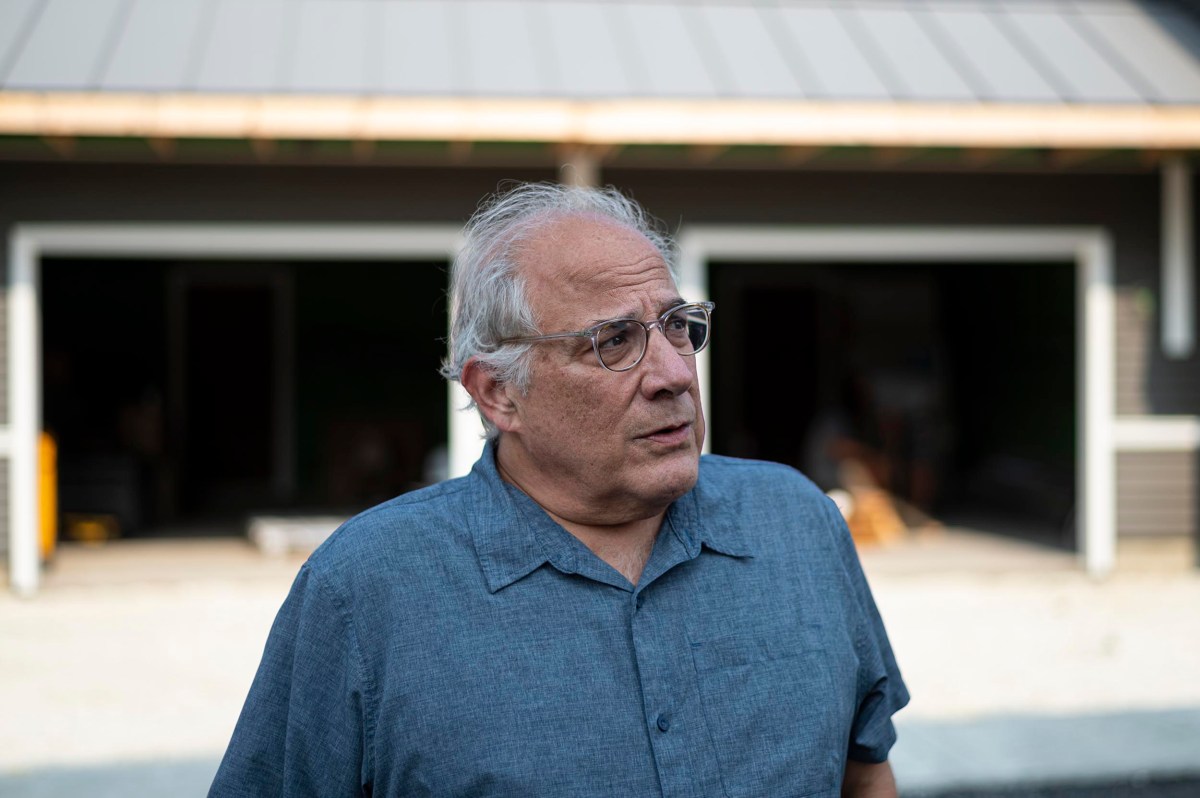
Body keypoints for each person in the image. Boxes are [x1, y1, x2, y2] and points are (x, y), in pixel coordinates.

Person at [209, 182, 909, 798]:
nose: (671, 373)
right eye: (612, 342)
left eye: (676, 327)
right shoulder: (364, 589)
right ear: (498, 393)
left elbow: (864, 773)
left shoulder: (796, 523)